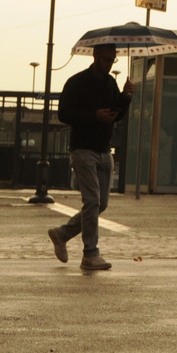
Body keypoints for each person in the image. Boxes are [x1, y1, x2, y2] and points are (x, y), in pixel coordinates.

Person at [48, 43, 132, 271]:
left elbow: (117, 115)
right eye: (106, 59)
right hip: (83, 148)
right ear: (95, 56)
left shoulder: (110, 83)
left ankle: (62, 234)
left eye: (112, 60)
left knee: (100, 203)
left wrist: (125, 97)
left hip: (105, 149)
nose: (108, 64)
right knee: (92, 200)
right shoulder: (77, 82)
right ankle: (90, 253)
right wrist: (94, 116)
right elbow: (64, 114)